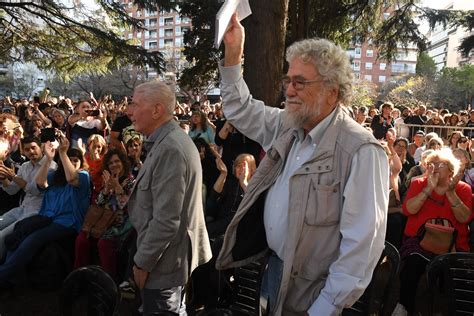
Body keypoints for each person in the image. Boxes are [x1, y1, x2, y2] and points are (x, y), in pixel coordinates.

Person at [216, 14, 389, 315]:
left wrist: (323, 308)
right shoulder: (288, 125)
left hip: (317, 294)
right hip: (274, 272)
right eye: (288, 81)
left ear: (332, 91)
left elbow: (361, 248)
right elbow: (239, 109)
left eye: (300, 82)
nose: (289, 90)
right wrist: (233, 54)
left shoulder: (361, 150)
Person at [128, 81, 211, 315]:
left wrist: (143, 262)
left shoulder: (171, 149)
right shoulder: (166, 141)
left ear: (156, 110)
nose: (129, 111)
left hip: (163, 263)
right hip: (166, 258)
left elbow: (167, 220)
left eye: (135, 104)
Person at [0, 136, 91, 284]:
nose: (73, 162)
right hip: (47, 218)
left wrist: (62, 153)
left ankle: (3, 275)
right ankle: (9, 273)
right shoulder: (56, 176)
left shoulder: (83, 176)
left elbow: (72, 179)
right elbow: (40, 183)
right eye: (70, 159)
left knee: (31, 240)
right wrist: (48, 158)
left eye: (76, 160)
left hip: (66, 223)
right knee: (19, 232)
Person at [397, 149, 472, 314]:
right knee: (412, 267)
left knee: (453, 277)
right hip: (419, 242)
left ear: (451, 169)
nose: (434, 167)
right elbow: (408, 210)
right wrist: (428, 188)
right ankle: (404, 307)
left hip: (453, 245)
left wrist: (451, 193)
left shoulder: (463, 189)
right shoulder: (418, 184)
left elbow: (464, 218)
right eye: (431, 164)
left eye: (440, 164)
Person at [74, 148, 134, 279]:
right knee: (82, 238)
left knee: (104, 243)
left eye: (117, 161)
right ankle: (80, 277)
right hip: (104, 220)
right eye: (111, 163)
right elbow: (98, 204)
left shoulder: (130, 182)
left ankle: (109, 282)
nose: (114, 165)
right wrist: (106, 189)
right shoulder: (108, 180)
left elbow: (125, 206)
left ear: (123, 162)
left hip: (121, 221)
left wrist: (117, 187)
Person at [0, 136, 57, 261]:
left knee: (2, 236)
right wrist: (3, 177)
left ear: (41, 148)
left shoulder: (51, 166)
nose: (31, 152)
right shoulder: (25, 166)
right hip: (22, 208)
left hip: (37, 212)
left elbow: (35, 190)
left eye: (33, 148)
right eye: (27, 149)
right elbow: (11, 190)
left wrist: (13, 176)